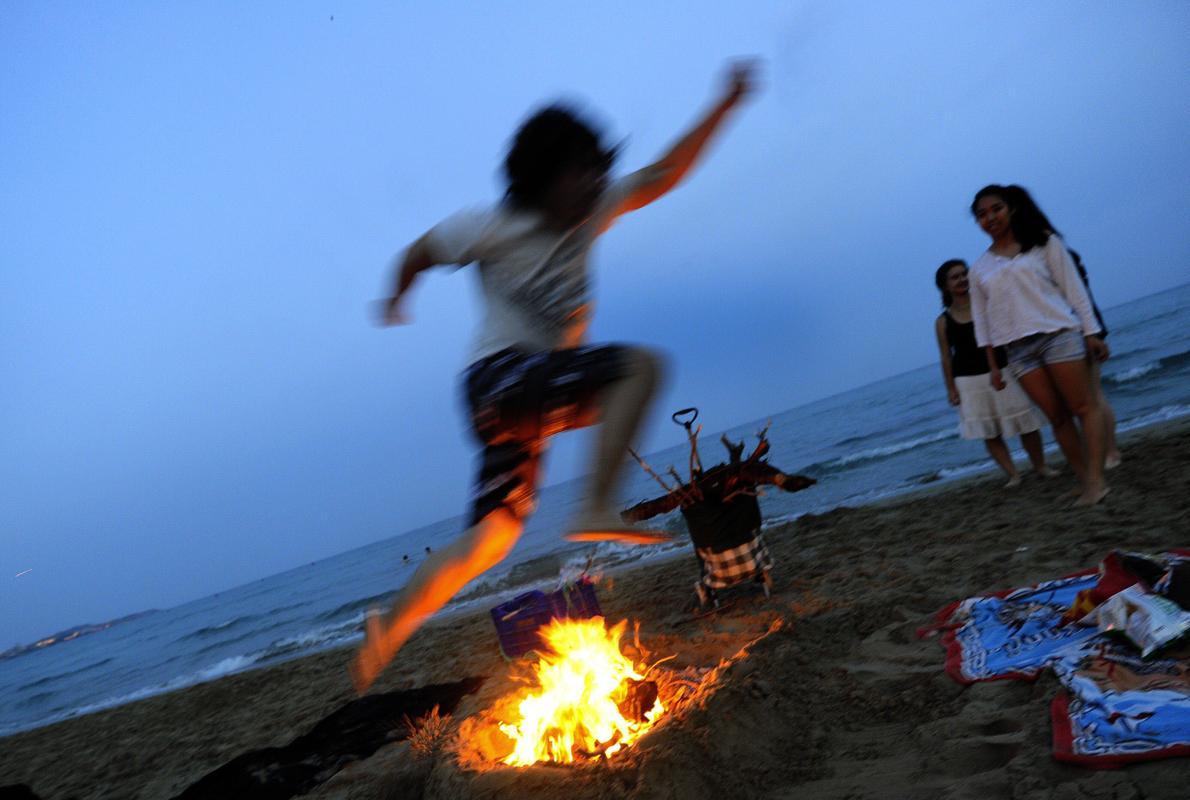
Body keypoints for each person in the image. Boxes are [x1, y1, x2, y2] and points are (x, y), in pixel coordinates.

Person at [352, 62, 758, 691]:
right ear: (541, 179)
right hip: (500, 380)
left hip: (525, 403)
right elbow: (418, 253)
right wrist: (396, 297)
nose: (596, 184)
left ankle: (391, 626)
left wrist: (724, 105)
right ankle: (596, 501)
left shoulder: (593, 209)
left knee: (492, 535)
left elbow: (664, 173)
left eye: (599, 171)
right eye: (582, 173)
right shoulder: (489, 226)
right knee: (639, 367)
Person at [968, 185, 1110, 507]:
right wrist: (993, 366)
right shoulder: (979, 269)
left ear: (1011, 209)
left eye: (996, 209)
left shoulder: (1044, 243)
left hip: (1058, 334)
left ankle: (1097, 480)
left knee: (1083, 407)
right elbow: (983, 323)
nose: (990, 217)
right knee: (1056, 417)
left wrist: (1092, 332)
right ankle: (1084, 478)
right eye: (981, 214)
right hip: (1018, 351)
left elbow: (1073, 290)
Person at [933, 259, 1055, 487]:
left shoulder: (987, 304)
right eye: (955, 277)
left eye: (964, 274)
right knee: (989, 431)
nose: (961, 279)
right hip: (968, 380)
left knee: (1025, 420)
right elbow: (946, 357)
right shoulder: (942, 321)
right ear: (945, 286)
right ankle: (1013, 474)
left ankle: (1040, 466)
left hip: (1002, 370)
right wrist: (950, 388)